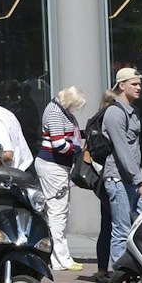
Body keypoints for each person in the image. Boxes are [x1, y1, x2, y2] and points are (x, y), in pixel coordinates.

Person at [101, 66, 142, 278]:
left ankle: (139, 269)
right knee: (121, 229)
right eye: (134, 84)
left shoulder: (132, 111)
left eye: (140, 83)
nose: (139, 87)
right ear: (122, 86)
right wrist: (141, 182)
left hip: (131, 179)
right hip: (118, 179)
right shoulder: (114, 113)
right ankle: (121, 277)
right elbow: (122, 151)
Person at [36, 84, 86, 273]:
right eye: (77, 105)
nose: (77, 109)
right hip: (53, 165)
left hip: (55, 165)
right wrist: (78, 149)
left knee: (59, 211)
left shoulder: (57, 109)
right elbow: (58, 143)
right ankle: (61, 259)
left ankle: (59, 257)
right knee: (58, 212)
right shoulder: (56, 112)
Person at [89, 87, 119, 283]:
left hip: (102, 181)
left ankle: (101, 269)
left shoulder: (95, 121)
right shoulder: (108, 123)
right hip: (111, 179)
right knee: (118, 226)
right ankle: (118, 271)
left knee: (106, 226)